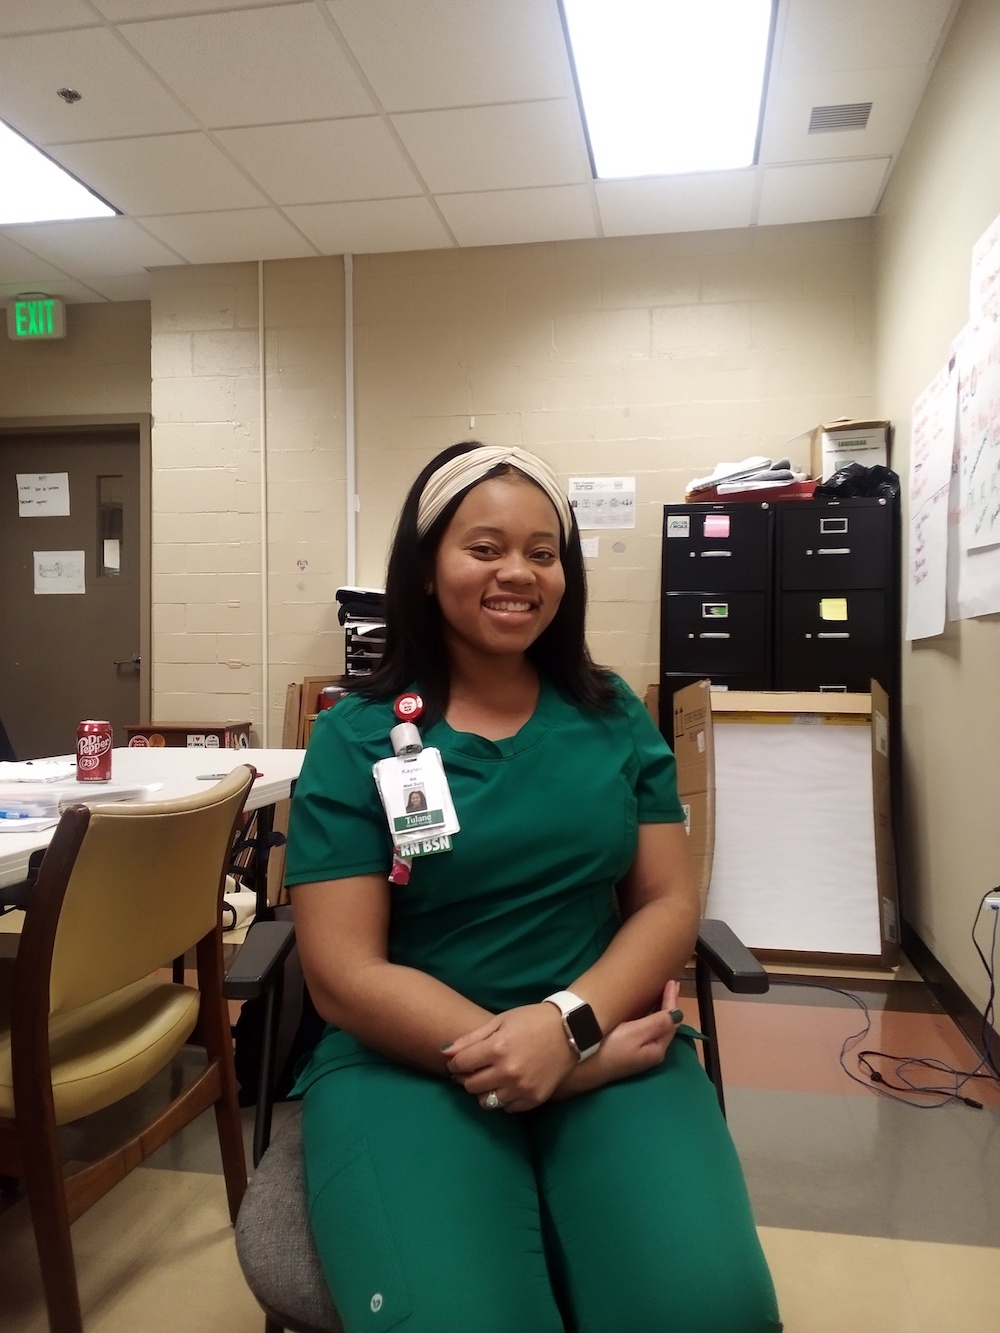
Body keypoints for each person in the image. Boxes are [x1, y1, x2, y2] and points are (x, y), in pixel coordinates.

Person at [285, 442, 782, 1333]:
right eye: (484, 547)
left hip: (604, 1028)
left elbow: (669, 901)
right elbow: (342, 971)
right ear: (427, 563)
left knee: (710, 1310)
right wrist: (543, 1066)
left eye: (543, 552)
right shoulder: (356, 736)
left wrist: (567, 1028)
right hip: (408, 1059)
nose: (518, 572)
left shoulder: (613, 713)